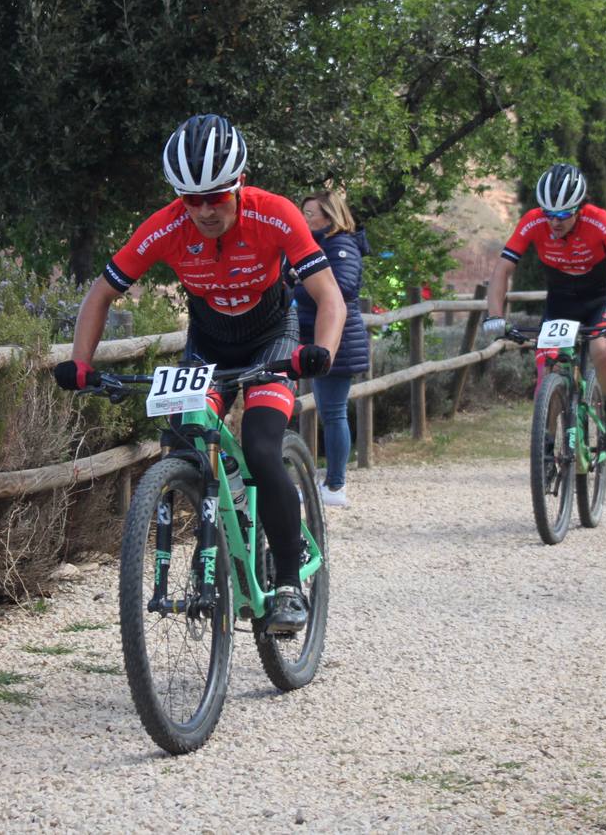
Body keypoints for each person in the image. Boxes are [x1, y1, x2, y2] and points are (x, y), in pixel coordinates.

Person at [53, 114, 346, 633]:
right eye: (193, 199)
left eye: (217, 195)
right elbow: (101, 294)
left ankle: (286, 580)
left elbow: (330, 298)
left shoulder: (276, 215)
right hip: (207, 346)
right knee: (183, 440)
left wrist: (318, 351)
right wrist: (81, 363)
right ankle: (222, 523)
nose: (206, 210)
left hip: (271, 340)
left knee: (259, 445)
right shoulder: (164, 227)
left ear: (238, 185)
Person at [481, 163, 606, 453]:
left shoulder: (600, 221)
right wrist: (494, 316)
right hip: (561, 300)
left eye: (563, 215)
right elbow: (502, 271)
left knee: (602, 352)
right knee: (548, 366)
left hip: (600, 297)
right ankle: (546, 444)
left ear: (579, 208)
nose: (554, 222)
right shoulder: (532, 221)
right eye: (549, 214)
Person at [295, 190, 370, 508]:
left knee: (334, 413)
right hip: (318, 335)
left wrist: (298, 285)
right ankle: (327, 480)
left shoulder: (339, 245)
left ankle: (336, 486)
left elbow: (343, 288)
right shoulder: (318, 244)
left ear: (330, 215)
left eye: (309, 214)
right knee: (328, 412)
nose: (304, 219)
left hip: (337, 340)